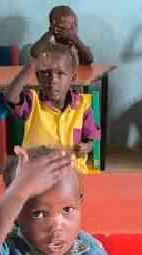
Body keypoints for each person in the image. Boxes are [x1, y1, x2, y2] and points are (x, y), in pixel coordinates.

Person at [6, 43, 99, 173]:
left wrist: (87, 147)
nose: (53, 80)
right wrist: (28, 70)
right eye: (46, 73)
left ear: (72, 78)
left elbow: (92, 138)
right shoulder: (32, 102)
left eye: (60, 73)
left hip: (72, 173)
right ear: (38, 77)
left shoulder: (83, 106)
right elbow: (11, 97)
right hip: (36, 173)